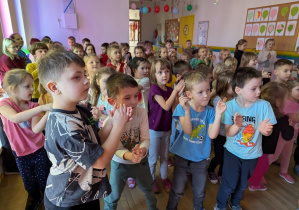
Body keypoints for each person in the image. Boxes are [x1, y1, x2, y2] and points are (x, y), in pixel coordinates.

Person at [38, 50, 132, 209]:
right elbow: (100, 162)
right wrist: (119, 126)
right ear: (54, 87)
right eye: (77, 77)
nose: (86, 81)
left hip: (84, 193)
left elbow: (94, 143)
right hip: (68, 200)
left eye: (85, 75)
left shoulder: (79, 110)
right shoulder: (66, 127)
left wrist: (111, 122)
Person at [214, 67, 276, 210]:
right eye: (253, 88)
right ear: (238, 90)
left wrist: (264, 131)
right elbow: (228, 133)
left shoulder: (264, 106)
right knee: (229, 183)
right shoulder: (229, 107)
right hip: (232, 152)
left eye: (259, 87)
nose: (259, 91)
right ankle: (221, 205)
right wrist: (237, 126)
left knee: (242, 184)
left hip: (252, 154)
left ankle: (235, 203)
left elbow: (268, 132)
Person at [167, 71, 226, 210]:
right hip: (182, 158)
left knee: (199, 191)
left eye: (208, 90)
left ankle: (198, 208)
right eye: (200, 92)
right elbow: (187, 130)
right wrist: (187, 110)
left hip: (201, 160)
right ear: (189, 94)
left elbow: (212, 135)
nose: (206, 95)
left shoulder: (210, 111)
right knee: (177, 190)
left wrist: (218, 115)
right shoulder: (182, 108)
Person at [103, 73, 157, 210]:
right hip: (119, 164)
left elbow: (145, 138)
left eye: (136, 96)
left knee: (149, 190)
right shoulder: (109, 122)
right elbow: (115, 148)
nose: (134, 101)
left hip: (141, 162)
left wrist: (142, 150)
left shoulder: (142, 112)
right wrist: (131, 156)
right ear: (112, 101)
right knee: (112, 197)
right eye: (127, 98)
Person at [0, 69, 51, 210]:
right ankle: (36, 198)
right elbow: (15, 118)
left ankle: (47, 200)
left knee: (44, 180)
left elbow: (36, 129)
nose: (32, 89)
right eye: (27, 86)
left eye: (32, 86)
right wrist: (43, 107)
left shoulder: (33, 106)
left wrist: (47, 113)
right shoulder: (4, 104)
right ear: (13, 89)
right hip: (20, 153)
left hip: (39, 149)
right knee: (29, 183)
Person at [148, 58, 185, 193]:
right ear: (154, 74)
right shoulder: (154, 89)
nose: (164, 75)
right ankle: (151, 179)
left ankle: (164, 178)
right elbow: (165, 106)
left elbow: (173, 109)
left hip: (166, 129)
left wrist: (178, 95)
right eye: (160, 72)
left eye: (167, 71)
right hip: (154, 129)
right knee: (153, 158)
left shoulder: (170, 90)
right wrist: (175, 91)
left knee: (164, 156)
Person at [248, 82, 294, 191]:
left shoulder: (256, 109)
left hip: (252, 144)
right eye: (286, 98)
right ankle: (255, 184)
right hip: (265, 148)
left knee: (255, 164)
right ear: (278, 102)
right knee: (261, 166)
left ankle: (252, 177)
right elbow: (287, 136)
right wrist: (290, 126)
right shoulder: (282, 118)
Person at [268, 78, 299, 184]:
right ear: (290, 91)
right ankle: (259, 172)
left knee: (287, 154)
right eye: (298, 89)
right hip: (282, 135)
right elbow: (295, 118)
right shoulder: (288, 103)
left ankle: (284, 172)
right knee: (274, 156)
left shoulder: (296, 102)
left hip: (292, 134)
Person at [208, 71, 235, 184]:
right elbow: (222, 117)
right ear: (224, 85)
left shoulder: (236, 97)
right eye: (233, 84)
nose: (236, 86)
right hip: (220, 134)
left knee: (227, 157)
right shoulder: (217, 100)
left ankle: (221, 172)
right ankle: (210, 169)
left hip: (231, 133)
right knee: (219, 157)